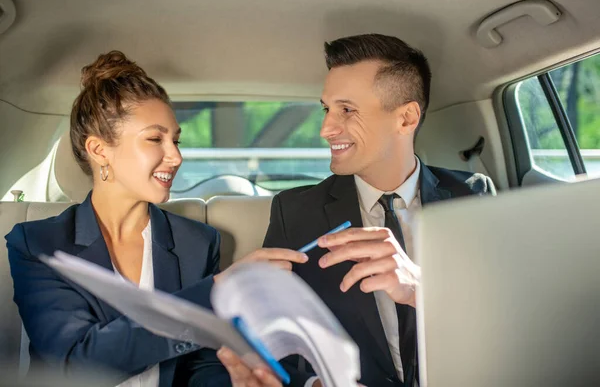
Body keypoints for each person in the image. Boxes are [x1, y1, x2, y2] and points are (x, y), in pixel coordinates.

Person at [5, 51, 304, 387]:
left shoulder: (198, 242)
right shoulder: (38, 243)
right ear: (99, 150)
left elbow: (195, 368)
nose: (176, 156)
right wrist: (214, 291)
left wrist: (239, 380)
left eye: (175, 140)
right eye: (154, 139)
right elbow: (76, 364)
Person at [218, 34, 496, 387]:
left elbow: (505, 322)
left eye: (346, 110)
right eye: (326, 109)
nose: (325, 129)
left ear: (406, 118)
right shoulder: (295, 211)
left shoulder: (473, 197)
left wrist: (422, 292)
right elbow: (277, 335)